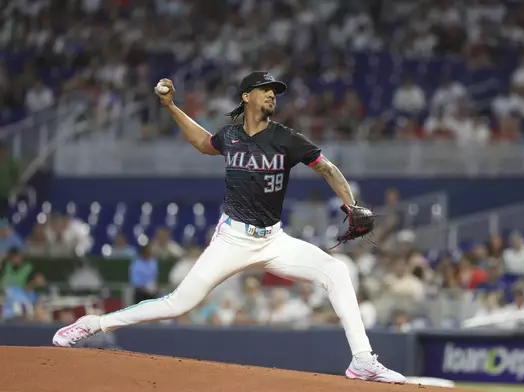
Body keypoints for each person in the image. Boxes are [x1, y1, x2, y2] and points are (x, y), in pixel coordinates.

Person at [52, 72, 406, 384]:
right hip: (233, 238)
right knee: (178, 303)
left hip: (273, 240)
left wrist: (351, 204)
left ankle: (363, 361)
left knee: (337, 272)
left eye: (274, 91)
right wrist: (171, 106)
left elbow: (327, 168)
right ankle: (94, 324)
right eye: (264, 89)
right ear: (246, 97)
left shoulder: (286, 138)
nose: (271, 94)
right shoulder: (231, 136)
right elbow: (203, 143)